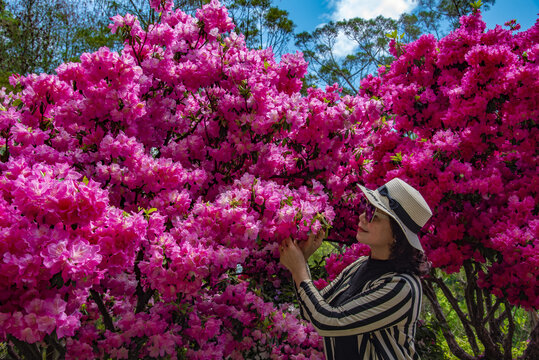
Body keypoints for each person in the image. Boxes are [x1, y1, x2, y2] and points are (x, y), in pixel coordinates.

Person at [279, 178, 433, 360]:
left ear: (397, 236)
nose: (362, 217)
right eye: (365, 207)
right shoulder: (359, 266)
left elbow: (329, 321)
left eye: (373, 214)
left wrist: (299, 270)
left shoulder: (402, 286)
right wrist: (302, 260)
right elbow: (312, 310)